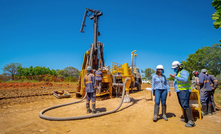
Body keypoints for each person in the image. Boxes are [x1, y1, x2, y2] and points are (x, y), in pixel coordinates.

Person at [170, 61, 195, 127]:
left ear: (179, 67)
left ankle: (191, 121)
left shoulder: (184, 72)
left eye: (175, 68)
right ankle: (186, 118)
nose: (174, 69)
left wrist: (175, 77)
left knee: (185, 105)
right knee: (182, 104)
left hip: (184, 91)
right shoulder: (178, 73)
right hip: (180, 91)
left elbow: (185, 80)